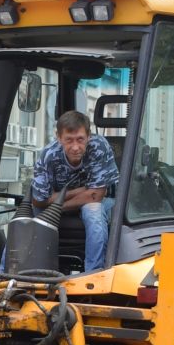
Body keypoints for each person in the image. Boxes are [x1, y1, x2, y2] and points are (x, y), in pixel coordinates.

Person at [30, 109, 120, 271]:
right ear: (59, 138)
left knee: (94, 212)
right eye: (69, 140)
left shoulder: (99, 147)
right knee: (25, 219)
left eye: (80, 139)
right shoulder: (48, 155)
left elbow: (96, 196)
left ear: (89, 136)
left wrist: (56, 205)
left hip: (86, 204)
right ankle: (7, 272)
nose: (75, 147)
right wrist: (83, 190)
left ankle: (94, 273)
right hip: (56, 205)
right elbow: (38, 199)